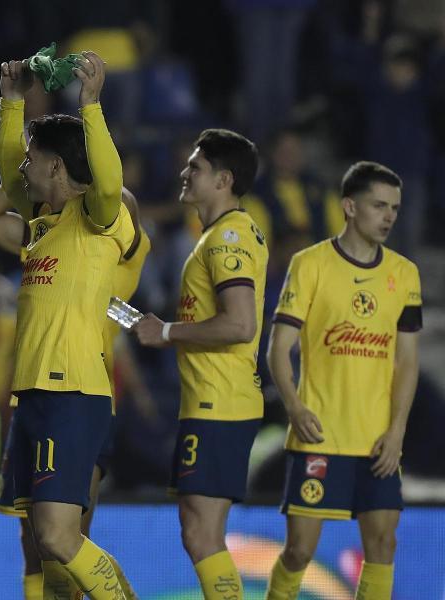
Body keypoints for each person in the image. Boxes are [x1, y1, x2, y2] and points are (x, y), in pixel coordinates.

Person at [0, 182, 149, 599]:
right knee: (34, 545)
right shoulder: (49, 236)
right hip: (32, 397)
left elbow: (125, 200)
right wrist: (28, 179)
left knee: (65, 539)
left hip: (81, 397)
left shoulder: (112, 242)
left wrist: (77, 175)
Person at [0, 52, 134, 599]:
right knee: (45, 550)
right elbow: (9, 174)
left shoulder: (100, 218)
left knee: (58, 536)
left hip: (72, 391)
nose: (24, 166)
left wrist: (91, 107)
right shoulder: (42, 224)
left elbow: (107, 179)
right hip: (33, 395)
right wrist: (11, 103)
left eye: (34, 158)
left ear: (57, 166)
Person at [264, 161, 420, 600]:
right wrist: (294, 407)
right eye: (378, 205)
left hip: (377, 440)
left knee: (383, 545)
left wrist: (396, 432)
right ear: (349, 207)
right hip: (320, 436)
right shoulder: (310, 265)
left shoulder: (405, 274)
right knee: (297, 551)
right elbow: (279, 349)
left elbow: (406, 362)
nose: (388, 216)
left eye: (394, 208)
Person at [132, 128, 268, 600]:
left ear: (223, 179)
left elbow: (239, 324)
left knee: (201, 533)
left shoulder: (227, 237)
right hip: (215, 401)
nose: (185, 172)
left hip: (220, 402)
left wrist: (166, 332)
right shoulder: (218, 234)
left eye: (196, 167)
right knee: (199, 531)